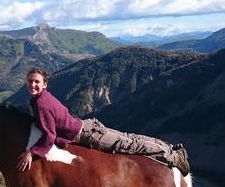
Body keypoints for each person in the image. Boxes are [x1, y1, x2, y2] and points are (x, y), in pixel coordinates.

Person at [17, 67, 190, 176]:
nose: (33, 84)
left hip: (88, 134)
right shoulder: (41, 98)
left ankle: (174, 157)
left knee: (130, 145)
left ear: (45, 84)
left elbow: (49, 135)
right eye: (30, 81)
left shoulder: (41, 103)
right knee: (130, 138)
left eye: (37, 82)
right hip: (87, 126)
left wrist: (32, 153)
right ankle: (169, 146)